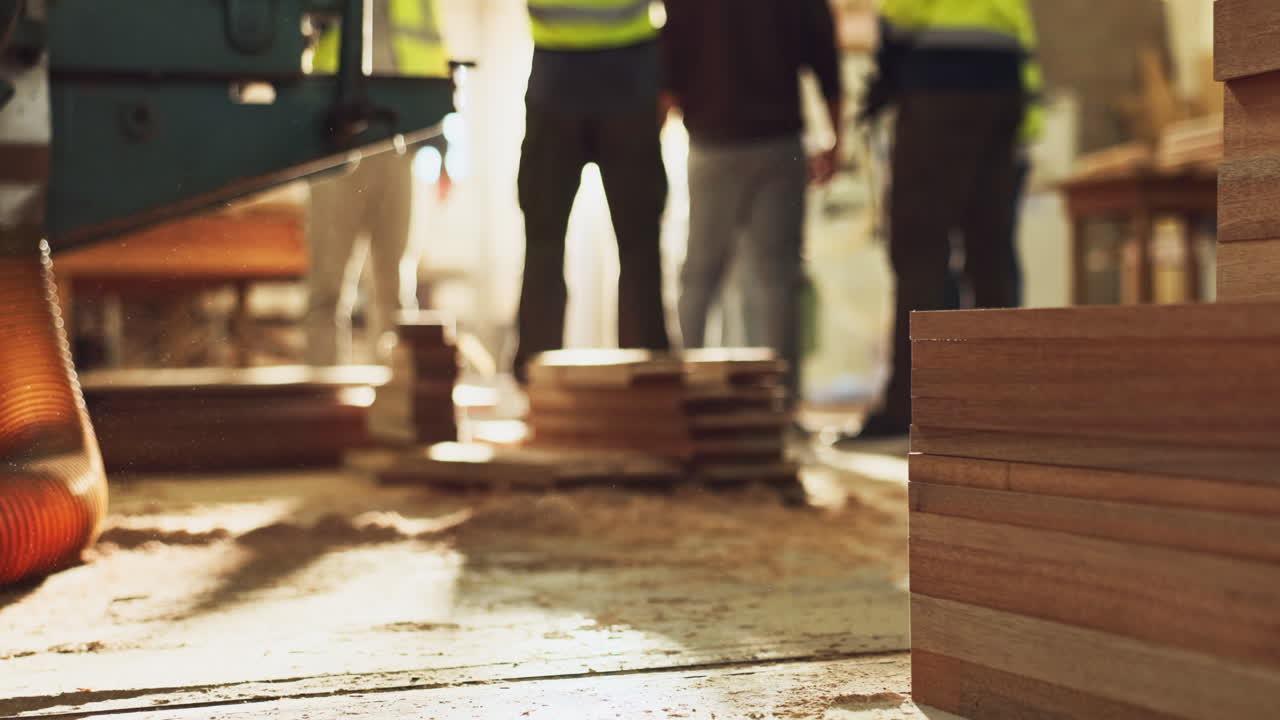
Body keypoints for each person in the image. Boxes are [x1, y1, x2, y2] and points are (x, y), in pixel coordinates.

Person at [854, 0, 1041, 438]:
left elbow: (899, 14)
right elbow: (1024, 39)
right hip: (1004, 93)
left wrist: (881, 83)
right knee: (992, 251)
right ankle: (1002, 404)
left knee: (920, 249)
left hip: (939, 89)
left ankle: (916, 404)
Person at [662, 0, 843, 409]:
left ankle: (684, 399)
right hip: (776, 142)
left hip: (713, 141)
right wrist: (837, 138)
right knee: (777, 279)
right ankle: (782, 406)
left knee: (700, 275)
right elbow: (825, 58)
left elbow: (669, 60)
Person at [512, 0, 671, 383]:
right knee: (638, 248)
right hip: (629, 84)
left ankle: (537, 378)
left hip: (559, 83)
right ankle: (647, 379)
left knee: (545, 243)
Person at [304, 0, 452, 365]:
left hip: (398, 145)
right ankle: (327, 400)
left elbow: (433, 60)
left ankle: (394, 403)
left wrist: (440, 145)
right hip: (334, 145)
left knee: (395, 291)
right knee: (327, 287)